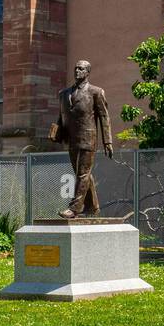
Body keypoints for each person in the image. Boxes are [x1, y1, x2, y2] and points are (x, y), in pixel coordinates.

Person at [56, 60, 113, 218]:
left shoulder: (96, 92)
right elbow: (61, 116)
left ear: (88, 72)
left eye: (81, 69)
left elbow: (104, 117)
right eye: (75, 68)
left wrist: (107, 141)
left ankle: (75, 208)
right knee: (83, 174)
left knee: (82, 174)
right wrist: (57, 132)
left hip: (88, 139)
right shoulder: (64, 94)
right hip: (71, 139)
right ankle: (93, 207)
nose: (76, 71)